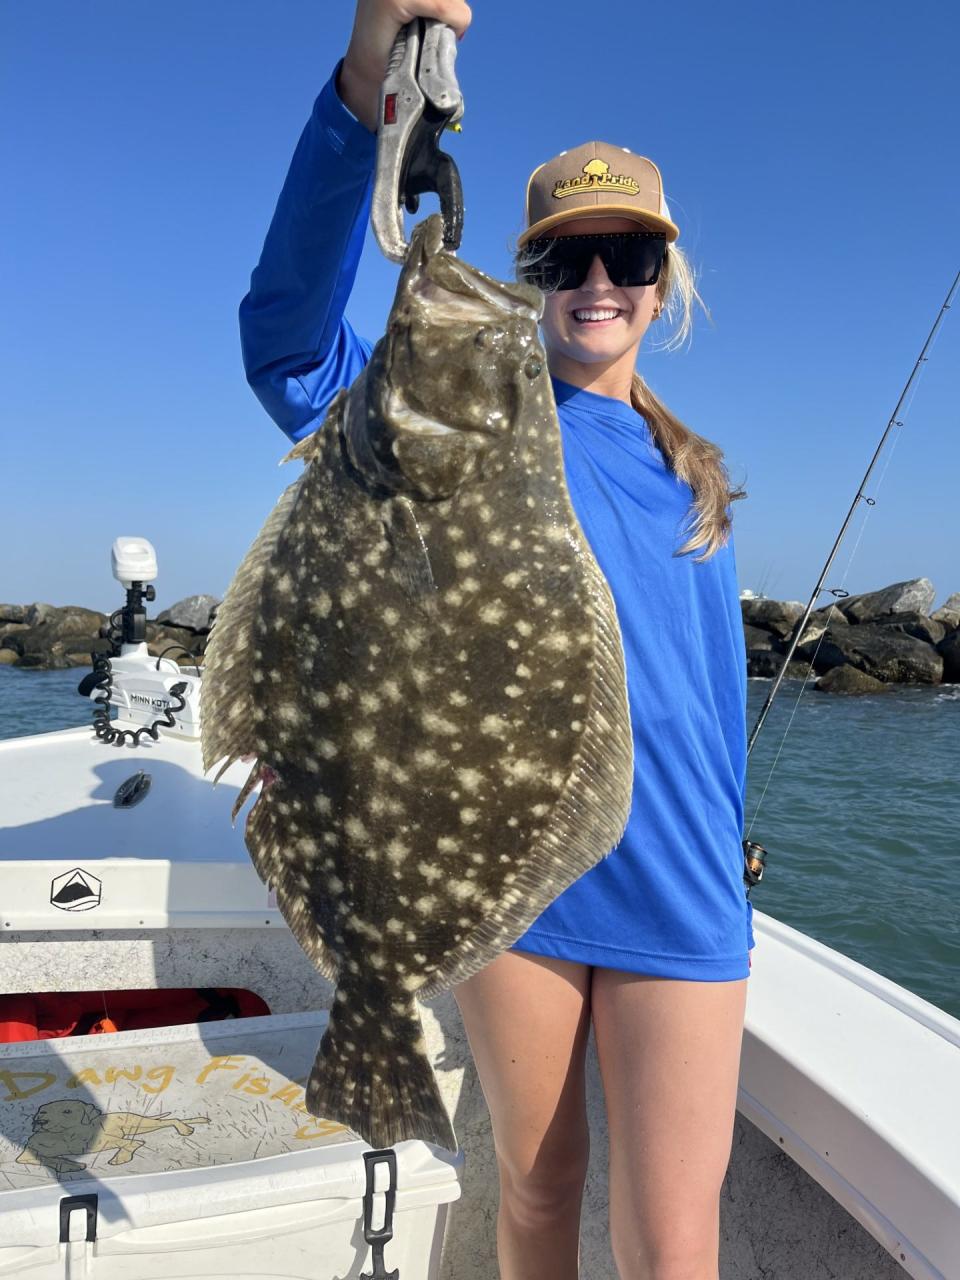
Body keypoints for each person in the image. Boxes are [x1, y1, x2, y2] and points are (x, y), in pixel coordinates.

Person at [238, 3, 754, 1276]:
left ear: (662, 279)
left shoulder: (698, 478)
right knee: (536, 1191)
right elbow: (287, 341)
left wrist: (737, 836)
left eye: (626, 256)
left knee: (676, 1233)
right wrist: (367, 87)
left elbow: (708, 696)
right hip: (517, 875)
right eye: (563, 261)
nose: (594, 283)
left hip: (686, 876)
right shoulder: (437, 418)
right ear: (531, 277)